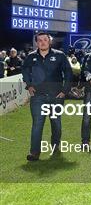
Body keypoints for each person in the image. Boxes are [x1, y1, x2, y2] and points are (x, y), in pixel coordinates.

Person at [22, 32, 72, 161]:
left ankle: (55, 146)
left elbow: (68, 73)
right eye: (40, 40)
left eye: (45, 40)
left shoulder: (59, 55)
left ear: (49, 42)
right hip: (38, 97)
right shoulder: (30, 57)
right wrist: (29, 85)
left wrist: (65, 91)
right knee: (37, 124)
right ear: (36, 42)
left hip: (56, 96)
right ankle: (34, 152)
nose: (42, 42)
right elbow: (25, 71)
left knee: (56, 123)